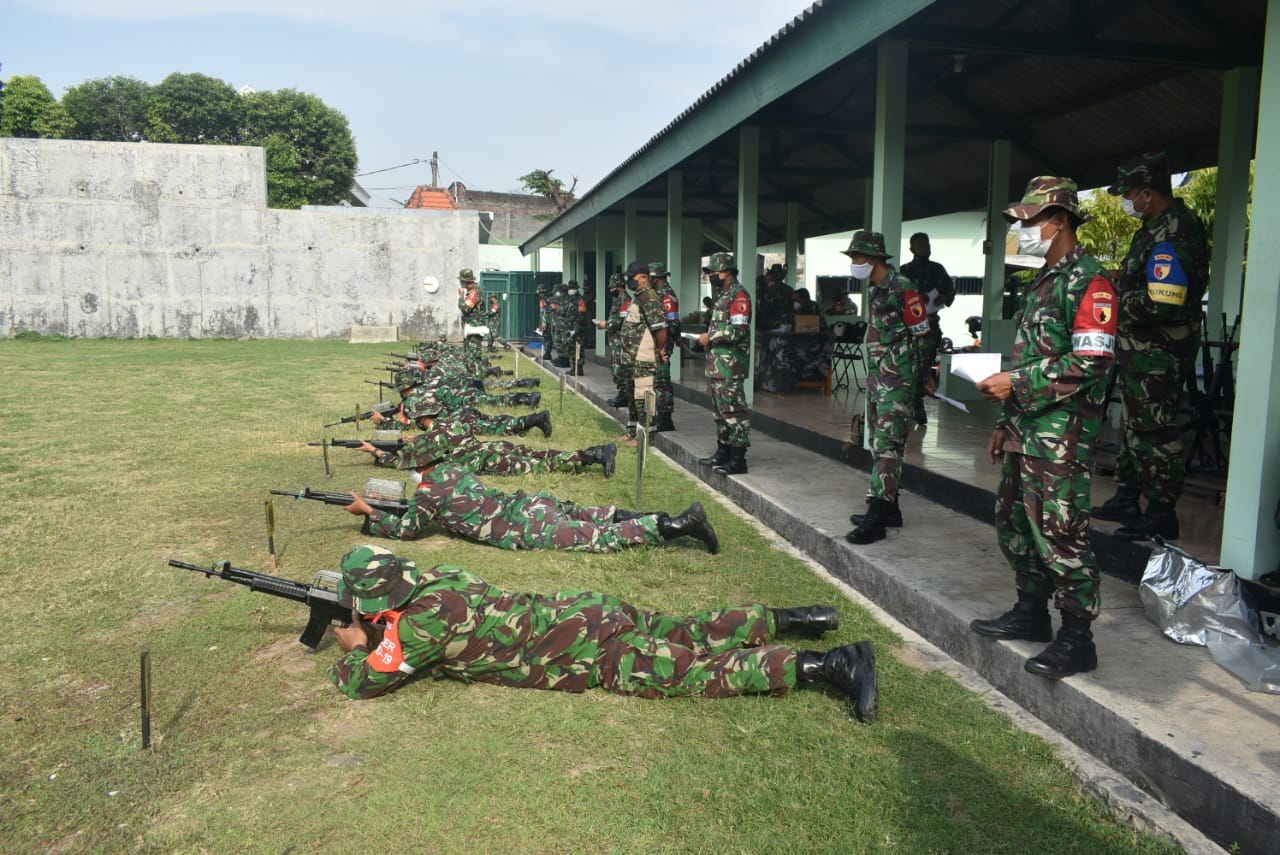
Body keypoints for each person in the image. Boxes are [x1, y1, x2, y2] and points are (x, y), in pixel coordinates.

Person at [328, 544, 878, 722]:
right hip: (588, 610)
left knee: (685, 672)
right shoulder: (439, 579)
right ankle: (800, 617)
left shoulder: (419, 624)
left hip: (584, 651)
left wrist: (355, 647)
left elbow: (369, 681)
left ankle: (830, 665)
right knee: (691, 629)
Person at [970, 176, 1116, 680]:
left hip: (1061, 434)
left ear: (1059, 222)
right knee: (1014, 523)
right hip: (1025, 429)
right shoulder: (1041, 281)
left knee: (1061, 531)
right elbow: (1030, 353)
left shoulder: (1090, 282)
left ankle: (1077, 637)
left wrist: (1016, 382)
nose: (1023, 230)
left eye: (1030, 221)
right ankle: (1030, 612)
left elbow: (1091, 363)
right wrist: (1005, 423)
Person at [1092, 152, 1209, 542]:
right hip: (1140, 349)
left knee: (1156, 430)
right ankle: (1127, 496)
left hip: (1160, 350)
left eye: (1128, 193)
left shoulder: (1174, 232)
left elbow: (1163, 301)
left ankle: (1160, 512)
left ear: (1147, 191)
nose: (1126, 200)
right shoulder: (1153, 227)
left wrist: (1114, 303)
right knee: (1136, 425)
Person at [342, 441, 719, 554]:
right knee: (592, 513)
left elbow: (408, 530)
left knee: (593, 536)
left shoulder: (428, 491)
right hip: (524, 504)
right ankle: (661, 515)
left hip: (520, 526)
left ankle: (678, 524)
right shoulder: (450, 470)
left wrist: (369, 512)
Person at [843, 230, 933, 545]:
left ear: (873, 258)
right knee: (878, 442)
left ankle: (878, 517)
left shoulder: (903, 288)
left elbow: (922, 335)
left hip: (898, 380)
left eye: (856, 257)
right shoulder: (876, 290)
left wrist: (920, 380)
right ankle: (891, 509)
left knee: (888, 446)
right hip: (878, 378)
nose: (854, 263)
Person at [696, 252, 752, 475]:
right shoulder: (723, 295)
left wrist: (711, 336)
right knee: (720, 412)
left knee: (733, 411)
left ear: (727, 272)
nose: (712, 276)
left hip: (731, 365)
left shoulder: (739, 296)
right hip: (717, 365)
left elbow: (739, 329)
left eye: (714, 272)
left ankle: (738, 458)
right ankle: (723, 451)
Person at [899, 233, 956, 426]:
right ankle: (908, 404)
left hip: (930, 324)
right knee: (907, 364)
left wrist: (944, 297)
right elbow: (897, 297)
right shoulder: (904, 271)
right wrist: (915, 297)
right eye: (919, 245)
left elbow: (950, 290)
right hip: (908, 327)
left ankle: (918, 401)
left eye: (926, 245)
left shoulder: (937, 269)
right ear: (911, 249)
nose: (924, 248)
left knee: (925, 364)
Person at [619, 261, 669, 442]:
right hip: (633, 359)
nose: (629, 281)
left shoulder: (650, 298)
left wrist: (660, 348)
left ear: (643, 277)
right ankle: (632, 431)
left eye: (631, 277)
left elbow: (661, 329)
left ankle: (646, 436)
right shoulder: (639, 297)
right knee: (633, 396)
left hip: (644, 358)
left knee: (644, 396)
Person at [649, 261, 680, 432]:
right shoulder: (657, 293)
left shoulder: (666, 295)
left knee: (662, 382)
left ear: (659, 277)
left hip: (663, 344)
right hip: (656, 344)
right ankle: (659, 415)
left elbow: (673, 322)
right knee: (657, 381)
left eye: (652, 277)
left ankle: (665, 418)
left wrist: (665, 345)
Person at [597, 273, 631, 408]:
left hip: (622, 342)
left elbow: (623, 321)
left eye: (613, 288)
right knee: (616, 369)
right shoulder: (618, 301)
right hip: (615, 342)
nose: (611, 291)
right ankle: (623, 394)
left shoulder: (626, 301)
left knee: (621, 369)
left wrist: (606, 324)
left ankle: (625, 396)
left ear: (620, 287)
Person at [456, 269, 487, 360]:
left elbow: (466, 309)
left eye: (461, 281)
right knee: (474, 351)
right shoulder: (477, 291)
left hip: (473, 327)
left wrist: (461, 298)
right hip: (474, 326)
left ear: (465, 281)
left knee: (472, 353)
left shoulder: (474, 293)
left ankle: (475, 371)